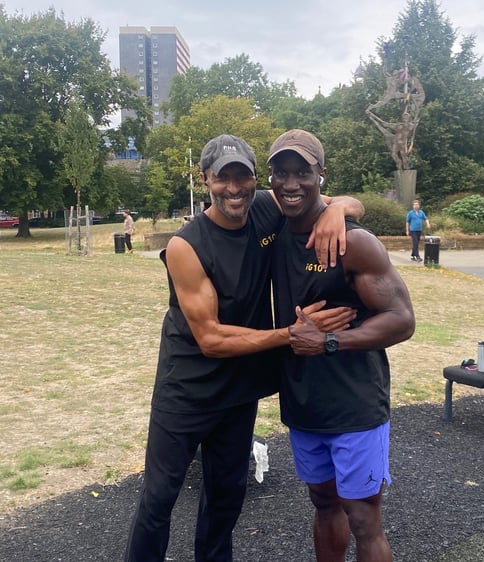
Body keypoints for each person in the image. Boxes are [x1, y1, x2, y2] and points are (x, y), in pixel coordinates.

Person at [124, 134, 364, 562]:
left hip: (239, 387)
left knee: (227, 493)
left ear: (257, 180)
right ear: (206, 181)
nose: (234, 188)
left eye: (243, 177)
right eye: (223, 178)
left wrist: (338, 211)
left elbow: (345, 201)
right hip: (188, 388)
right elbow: (211, 339)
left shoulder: (267, 209)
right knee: (160, 497)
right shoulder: (186, 245)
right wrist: (291, 334)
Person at [267, 129, 416, 561]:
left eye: (303, 172)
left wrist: (329, 340)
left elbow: (402, 321)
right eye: (281, 172)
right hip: (302, 400)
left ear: (322, 176)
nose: (291, 183)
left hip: (354, 403)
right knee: (323, 503)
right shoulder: (272, 224)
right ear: (271, 177)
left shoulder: (354, 241)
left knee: (364, 517)